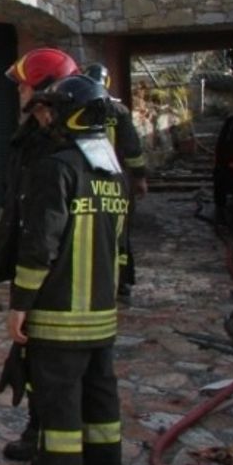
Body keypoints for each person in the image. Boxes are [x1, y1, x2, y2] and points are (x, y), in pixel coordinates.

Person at [1, 74, 127, 465]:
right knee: (101, 407)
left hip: (58, 317)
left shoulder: (56, 168)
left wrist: (20, 303)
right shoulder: (112, 172)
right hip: (101, 317)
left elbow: (41, 246)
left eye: (52, 110)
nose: (47, 118)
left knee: (59, 414)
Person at [0, 46, 79, 462]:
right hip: (33, 261)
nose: (18, 91)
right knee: (31, 356)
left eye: (24, 84)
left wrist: (23, 296)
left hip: (52, 274)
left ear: (41, 89)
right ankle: (37, 431)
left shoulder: (60, 150)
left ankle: (50, 450)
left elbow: (46, 226)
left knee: (47, 363)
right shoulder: (32, 138)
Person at [82, 63, 149, 305]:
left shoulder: (77, 107)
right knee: (120, 234)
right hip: (116, 183)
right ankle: (122, 283)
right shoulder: (118, 111)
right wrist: (139, 178)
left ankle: (95, 280)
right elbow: (132, 150)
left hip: (84, 182)